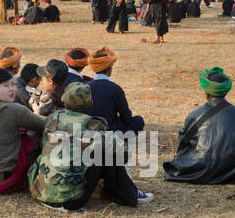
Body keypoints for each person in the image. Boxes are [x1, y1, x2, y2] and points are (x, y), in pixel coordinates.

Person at [29, 82, 153, 210]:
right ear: (91, 103)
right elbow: (123, 154)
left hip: (39, 192)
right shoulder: (94, 125)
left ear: (65, 103)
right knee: (106, 154)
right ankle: (129, 194)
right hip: (71, 201)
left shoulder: (53, 118)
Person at [163, 67, 235, 184]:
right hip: (230, 170)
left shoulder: (194, 114)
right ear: (226, 91)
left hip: (196, 167)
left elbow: (183, 144)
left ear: (206, 93)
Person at [85, 46, 144, 134]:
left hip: (88, 131)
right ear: (109, 69)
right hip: (110, 132)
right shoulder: (115, 88)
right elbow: (126, 117)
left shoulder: (84, 87)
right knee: (138, 120)